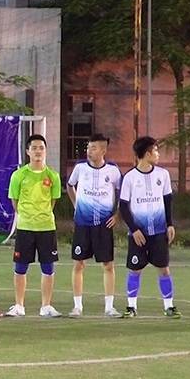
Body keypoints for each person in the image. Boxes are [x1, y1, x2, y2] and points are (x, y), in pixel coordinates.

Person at [119, 136, 179, 318]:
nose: (158, 154)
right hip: (139, 234)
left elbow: (167, 201)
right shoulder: (129, 178)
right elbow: (123, 207)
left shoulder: (163, 175)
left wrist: (170, 224)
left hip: (159, 232)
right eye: (156, 150)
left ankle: (169, 306)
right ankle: (131, 307)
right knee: (135, 269)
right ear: (146, 154)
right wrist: (134, 229)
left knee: (164, 268)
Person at [66, 134, 123, 318]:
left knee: (108, 265)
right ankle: (77, 306)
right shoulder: (80, 168)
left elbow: (123, 194)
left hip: (104, 225)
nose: (89, 151)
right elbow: (70, 186)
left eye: (94, 148)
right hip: (83, 224)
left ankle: (109, 307)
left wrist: (117, 215)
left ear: (103, 150)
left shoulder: (113, 171)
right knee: (78, 264)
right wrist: (76, 206)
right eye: (89, 147)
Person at [6, 134, 62, 318]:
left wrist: (42, 214)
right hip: (25, 227)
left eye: (41, 148)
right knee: (21, 267)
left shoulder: (52, 175)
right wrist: (27, 215)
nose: (38, 151)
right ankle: (19, 305)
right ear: (28, 151)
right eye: (35, 148)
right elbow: (15, 201)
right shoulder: (19, 175)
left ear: (46, 151)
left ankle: (46, 306)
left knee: (48, 268)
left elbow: (53, 201)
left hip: (46, 227)